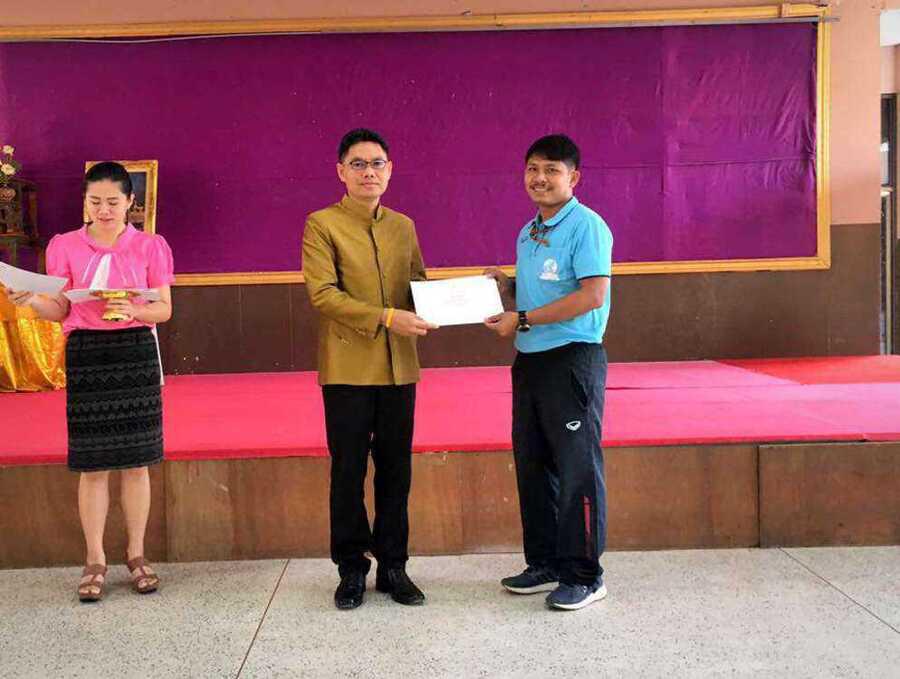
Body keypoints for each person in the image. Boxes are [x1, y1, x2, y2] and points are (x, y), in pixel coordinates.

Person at [8, 161, 174, 602]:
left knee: (137, 462)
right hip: (87, 354)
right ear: (84, 201)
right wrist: (31, 301)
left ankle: (137, 555)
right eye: (95, 201)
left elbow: (164, 309)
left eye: (113, 202)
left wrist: (132, 308)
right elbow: (61, 309)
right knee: (93, 463)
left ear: (130, 202)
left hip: (135, 351)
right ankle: (95, 559)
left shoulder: (151, 246)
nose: (103, 210)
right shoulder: (64, 245)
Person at [302, 128, 437, 610]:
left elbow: (417, 284)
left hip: (400, 369)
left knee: (397, 472)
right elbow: (323, 295)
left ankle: (394, 566)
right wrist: (385, 317)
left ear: (390, 170)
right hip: (347, 370)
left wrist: (461, 299)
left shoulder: (403, 226)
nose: (368, 172)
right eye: (357, 164)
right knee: (348, 472)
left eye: (377, 163)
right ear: (341, 171)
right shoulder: (322, 224)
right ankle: (352, 568)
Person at [485, 134, 613, 611]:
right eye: (532, 169)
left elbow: (592, 295)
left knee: (578, 468)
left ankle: (585, 574)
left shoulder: (587, 226)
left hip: (571, 359)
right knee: (533, 464)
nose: (540, 178)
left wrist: (521, 318)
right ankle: (545, 563)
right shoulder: (530, 231)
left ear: (573, 177)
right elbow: (540, 292)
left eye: (552, 170)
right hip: (530, 359)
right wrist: (507, 287)